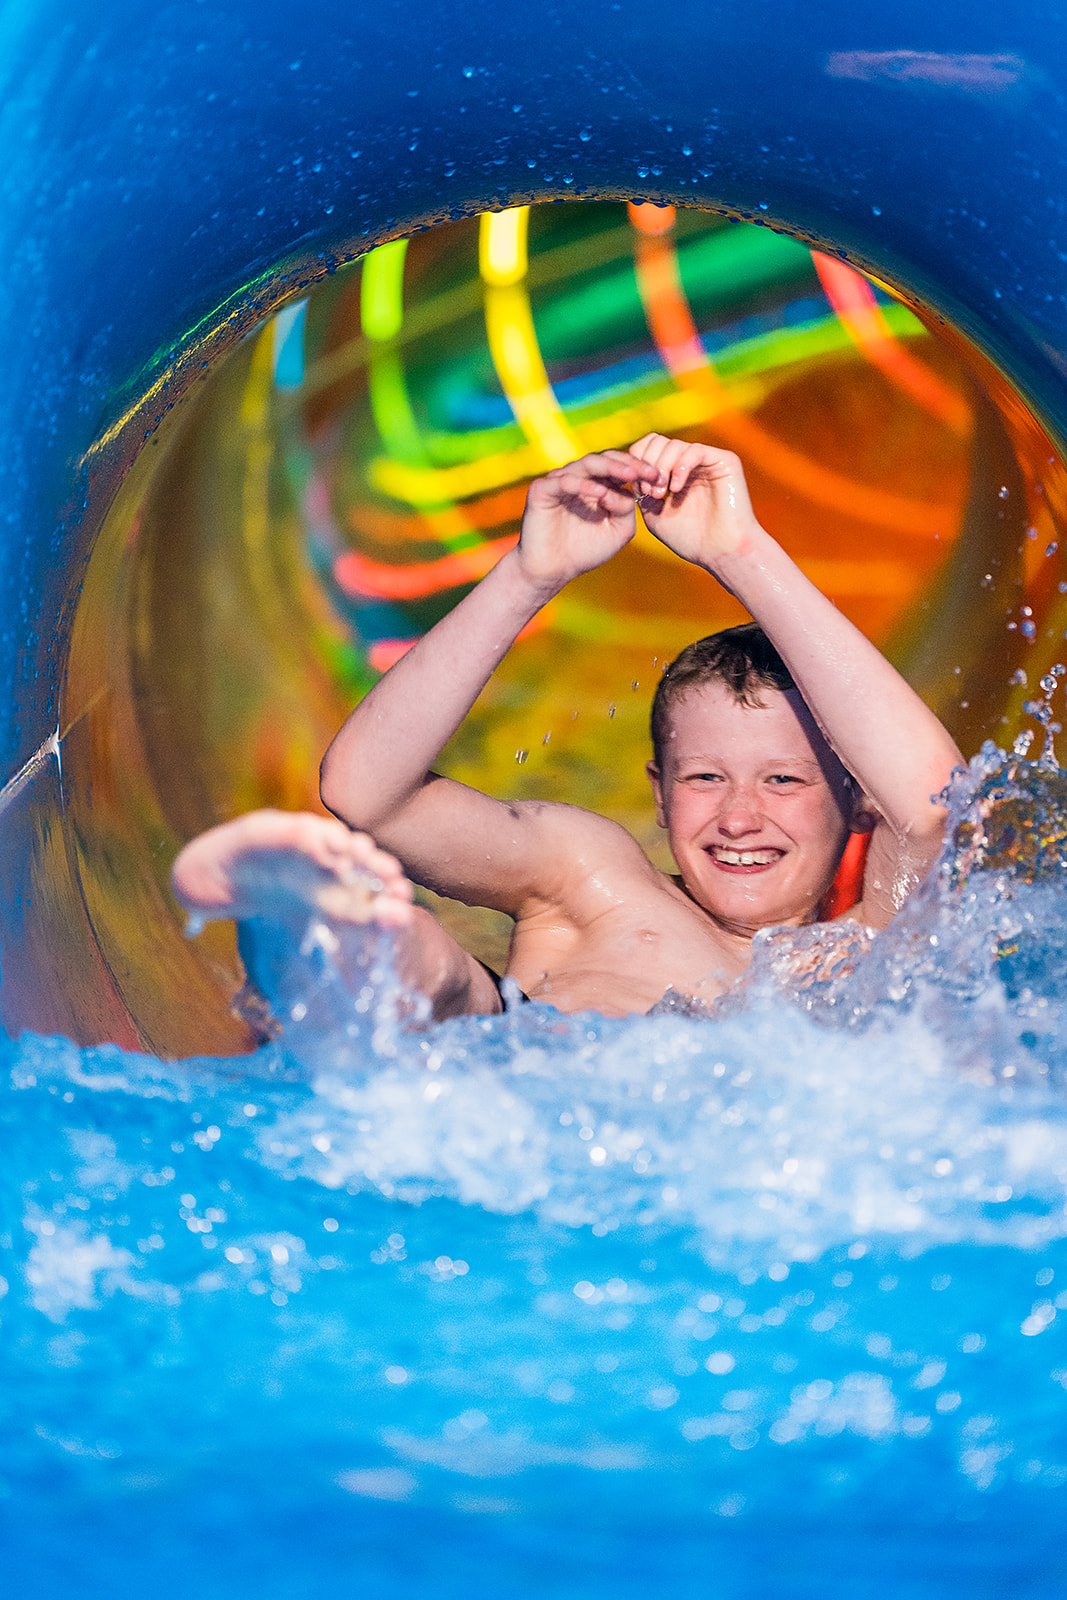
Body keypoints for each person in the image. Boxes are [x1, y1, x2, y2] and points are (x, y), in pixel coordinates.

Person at [172, 436, 963, 1025]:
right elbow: (364, 794)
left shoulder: (872, 951)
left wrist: (741, 552)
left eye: (783, 780)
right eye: (703, 777)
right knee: (434, 962)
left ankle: (305, 953)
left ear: (856, 800)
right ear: (658, 795)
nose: (737, 817)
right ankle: (307, 934)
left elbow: (932, 804)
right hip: (516, 1084)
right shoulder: (591, 877)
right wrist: (529, 574)